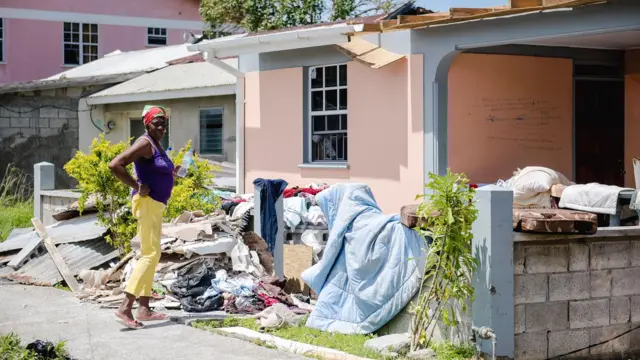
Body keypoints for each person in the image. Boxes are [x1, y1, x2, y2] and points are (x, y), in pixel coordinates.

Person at [108, 105, 180, 329]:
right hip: (147, 204)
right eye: (156, 123)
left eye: (163, 124)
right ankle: (125, 307)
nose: (161, 127)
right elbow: (115, 164)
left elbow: (155, 169)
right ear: (147, 124)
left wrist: (171, 173)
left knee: (153, 253)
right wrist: (137, 186)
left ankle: (144, 308)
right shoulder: (144, 143)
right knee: (149, 254)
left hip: (156, 205)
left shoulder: (156, 144)